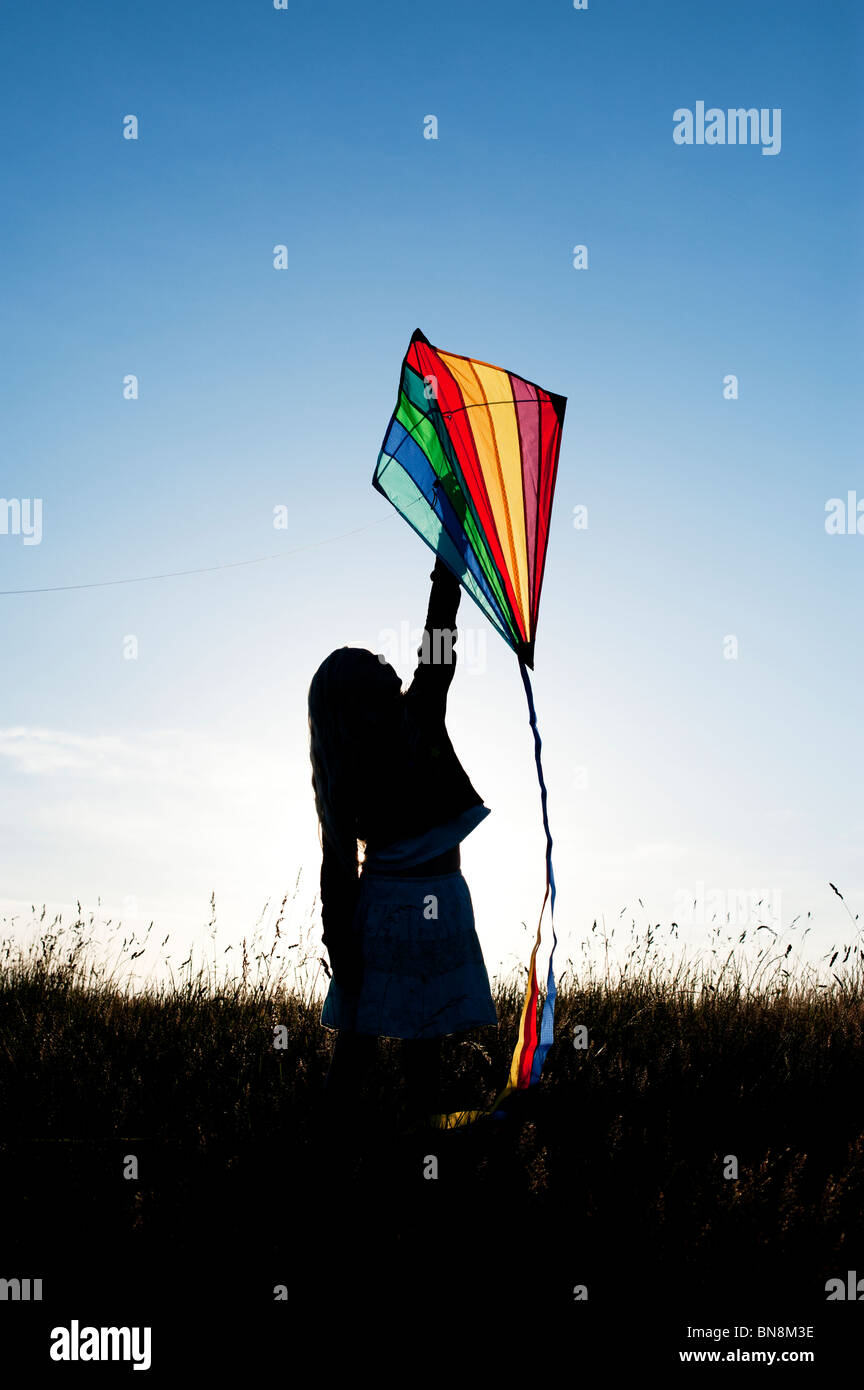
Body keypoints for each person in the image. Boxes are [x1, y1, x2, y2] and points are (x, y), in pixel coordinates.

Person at [308, 555, 498, 1131]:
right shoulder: (418, 717)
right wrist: (447, 567)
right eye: (377, 664)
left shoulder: (347, 768)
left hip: (386, 907)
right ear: (364, 698)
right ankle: (417, 1146)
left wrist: (343, 951)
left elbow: (336, 873)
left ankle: (338, 1141)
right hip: (429, 902)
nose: (391, 664)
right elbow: (439, 638)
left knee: (363, 1043)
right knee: (423, 1043)